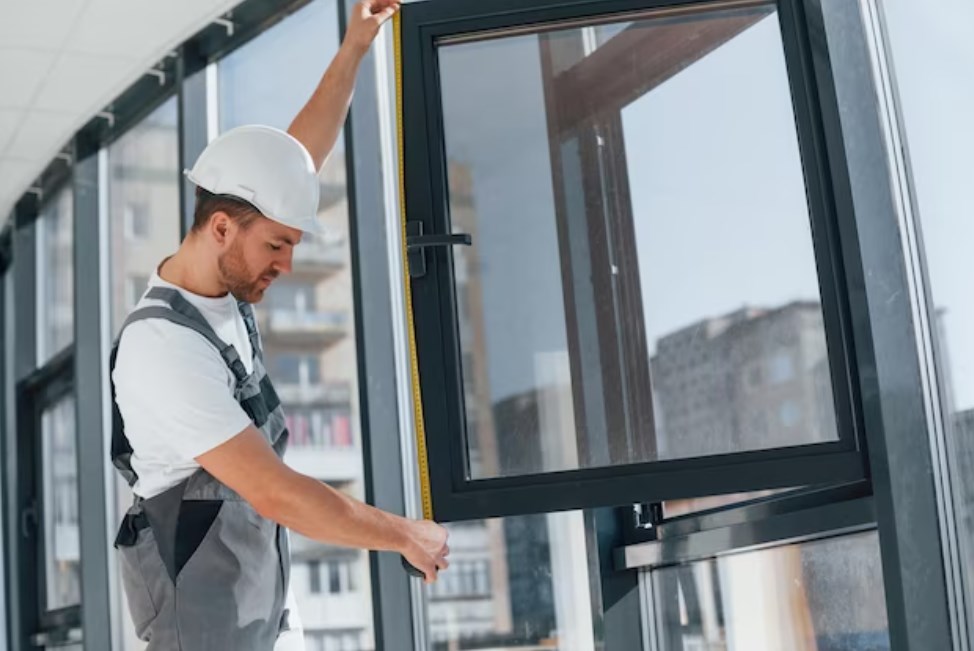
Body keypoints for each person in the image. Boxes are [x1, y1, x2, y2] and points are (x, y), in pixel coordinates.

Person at [110, 2, 449, 649]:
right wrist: (405, 532)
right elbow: (275, 491)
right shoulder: (162, 347)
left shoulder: (224, 287)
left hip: (259, 614)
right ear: (219, 228)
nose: (287, 264)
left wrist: (356, 42)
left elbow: (299, 159)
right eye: (276, 246)